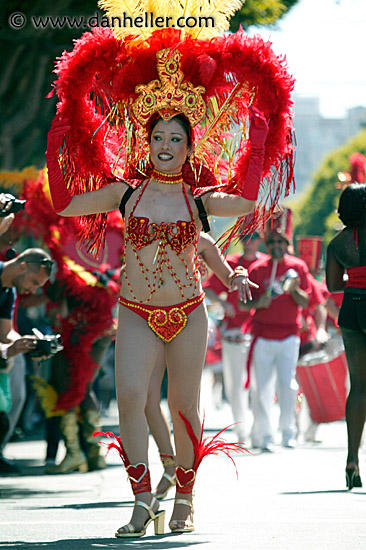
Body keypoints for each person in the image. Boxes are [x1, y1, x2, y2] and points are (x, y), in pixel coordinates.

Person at [46, 9, 295, 536]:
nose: (165, 146)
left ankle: (184, 498)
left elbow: (243, 203)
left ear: (188, 145)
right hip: (135, 311)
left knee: (184, 406)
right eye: (158, 137)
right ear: (147, 141)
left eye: (176, 139)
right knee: (132, 399)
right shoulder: (124, 192)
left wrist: (257, 138)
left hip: (187, 314)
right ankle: (141, 501)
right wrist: (59, 137)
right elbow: (66, 204)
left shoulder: (198, 199)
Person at [146, 232, 258, 500]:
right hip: (144, 317)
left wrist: (238, 274)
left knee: (183, 405)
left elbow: (225, 277)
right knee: (144, 399)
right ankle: (169, 465)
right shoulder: (142, 228)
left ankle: (185, 495)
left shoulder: (201, 239)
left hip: (187, 321)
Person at [242, 208, 312, 452]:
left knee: (287, 384)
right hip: (262, 335)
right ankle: (264, 434)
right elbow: (243, 302)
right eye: (271, 242)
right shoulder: (258, 269)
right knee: (262, 387)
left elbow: (306, 302)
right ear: (267, 244)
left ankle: (288, 431)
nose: (276, 246)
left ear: (287, 243)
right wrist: (256, 303)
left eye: (281, 242)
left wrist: (293, 290)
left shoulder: (299, 267)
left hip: (289, 336)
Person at [204, 231, 265, 443]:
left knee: (260, 383)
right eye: (245, 237)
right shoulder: (229, 262)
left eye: (254, 237)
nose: (249, 241)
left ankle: (260, 430)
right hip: (233, 332)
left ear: (260, 240)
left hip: (260, 332)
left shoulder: (267, 264)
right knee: (234, 383)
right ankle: (241, 429)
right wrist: (223, 303)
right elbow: (209, 289)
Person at [326, 182, 366, 490]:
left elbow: (333, 286)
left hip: (352, 309)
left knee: (359, 386)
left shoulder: (338, 243)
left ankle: (352, 458)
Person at [0, 248, 53, 473]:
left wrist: (25, 343)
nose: (33, 290)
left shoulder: (9, 291)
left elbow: (5, 332)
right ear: (22, 266)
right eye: (33, 282)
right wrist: (6, 350)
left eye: (37, 287)